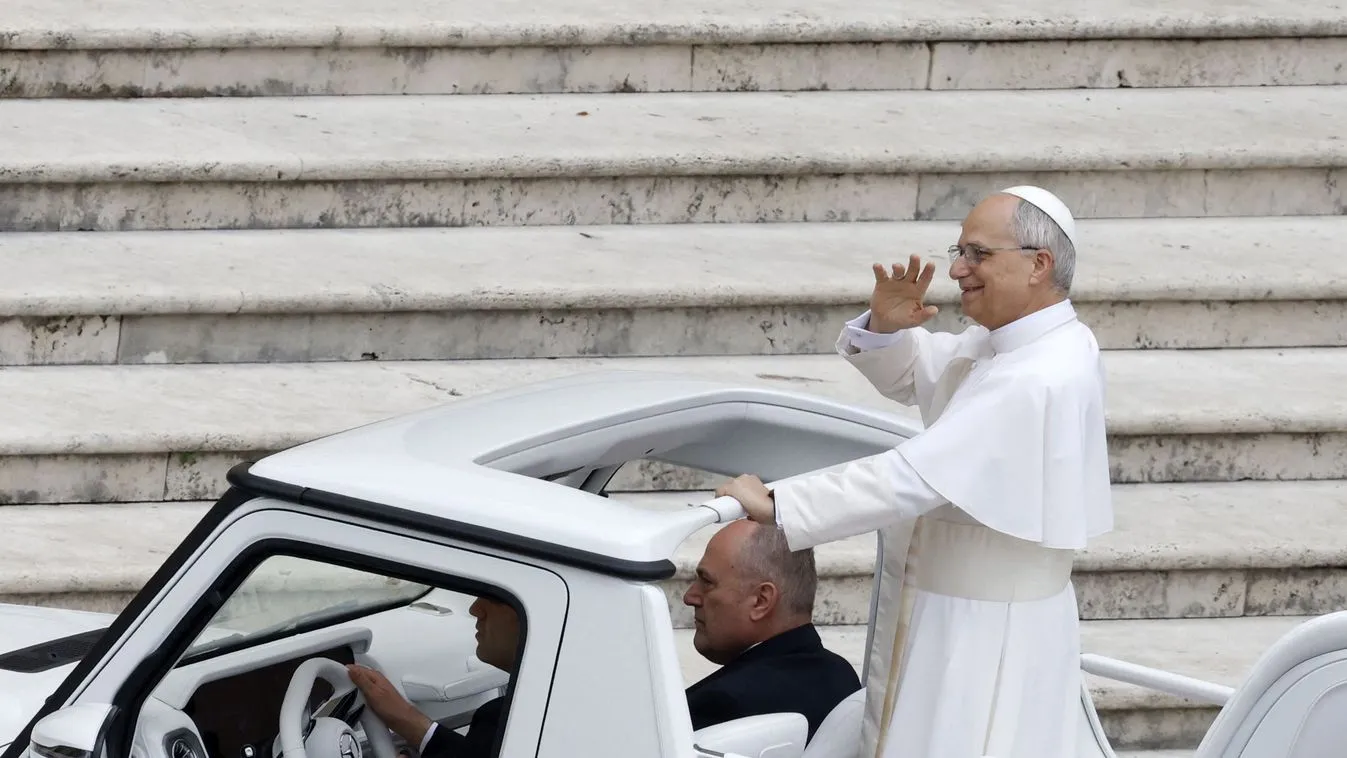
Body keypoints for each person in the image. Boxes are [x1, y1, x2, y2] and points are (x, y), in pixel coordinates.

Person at [716, 186, 1113, 758]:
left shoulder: (1040, 375)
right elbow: (930, 375)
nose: (957, 269)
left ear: (1038, 264)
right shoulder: (1018, 345)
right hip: (955, 616)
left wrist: (779, 504)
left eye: (977, 254)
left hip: (980, 635)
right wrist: (885, 327)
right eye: (959, 251)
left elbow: (911, 477)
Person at [683, 519, 860, 740]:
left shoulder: (722, 703)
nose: (690, 596)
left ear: (760, 601)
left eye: (707, 582)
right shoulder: (841, 676)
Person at [347, 595, 518, 758]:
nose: (475, 609)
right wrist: (405, 716)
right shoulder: (525, 716)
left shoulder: (506, 721)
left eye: (495, 598)